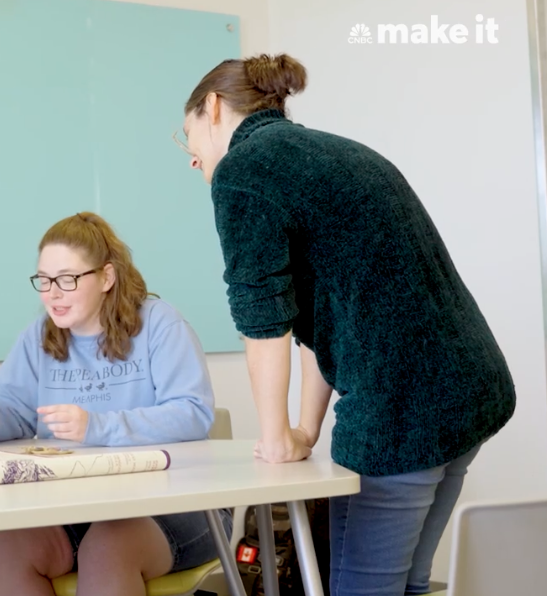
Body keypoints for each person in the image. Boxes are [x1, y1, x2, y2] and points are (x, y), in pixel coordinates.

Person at [177, 53, 516, 595]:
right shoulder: (336, 151)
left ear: (213, 108)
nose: (191, 158)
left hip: (403, 412)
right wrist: (305, 430)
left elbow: (263, 318)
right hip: (471, 390)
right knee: (409, 585)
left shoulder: (245, 171)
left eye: (186, 137)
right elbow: (328, 318)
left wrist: (274, 437)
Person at [0, 212, 232, 596]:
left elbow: (192, 413)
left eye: (67, 279)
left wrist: (97, 427)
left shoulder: (160, 324)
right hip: (76, 507)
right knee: (4, 544)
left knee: (108, 546)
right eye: (45, 280)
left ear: (106, 277)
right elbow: (14, 408)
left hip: (176, 507)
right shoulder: (39, 336)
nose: (52, 293)